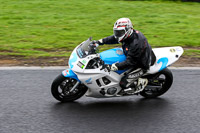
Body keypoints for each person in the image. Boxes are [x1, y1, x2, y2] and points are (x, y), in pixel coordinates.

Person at [91, 18, 155, 94]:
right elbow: (114, 38)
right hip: (132, 55)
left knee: (123, 83)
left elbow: (130, 62)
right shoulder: (127, 35)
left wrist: (112, 67)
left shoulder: (136, 43)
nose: (117, 34)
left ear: (128, 30)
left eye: (120, 32)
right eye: (116, 32)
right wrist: (99, 42)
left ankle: (142, 82)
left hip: (141, 64)